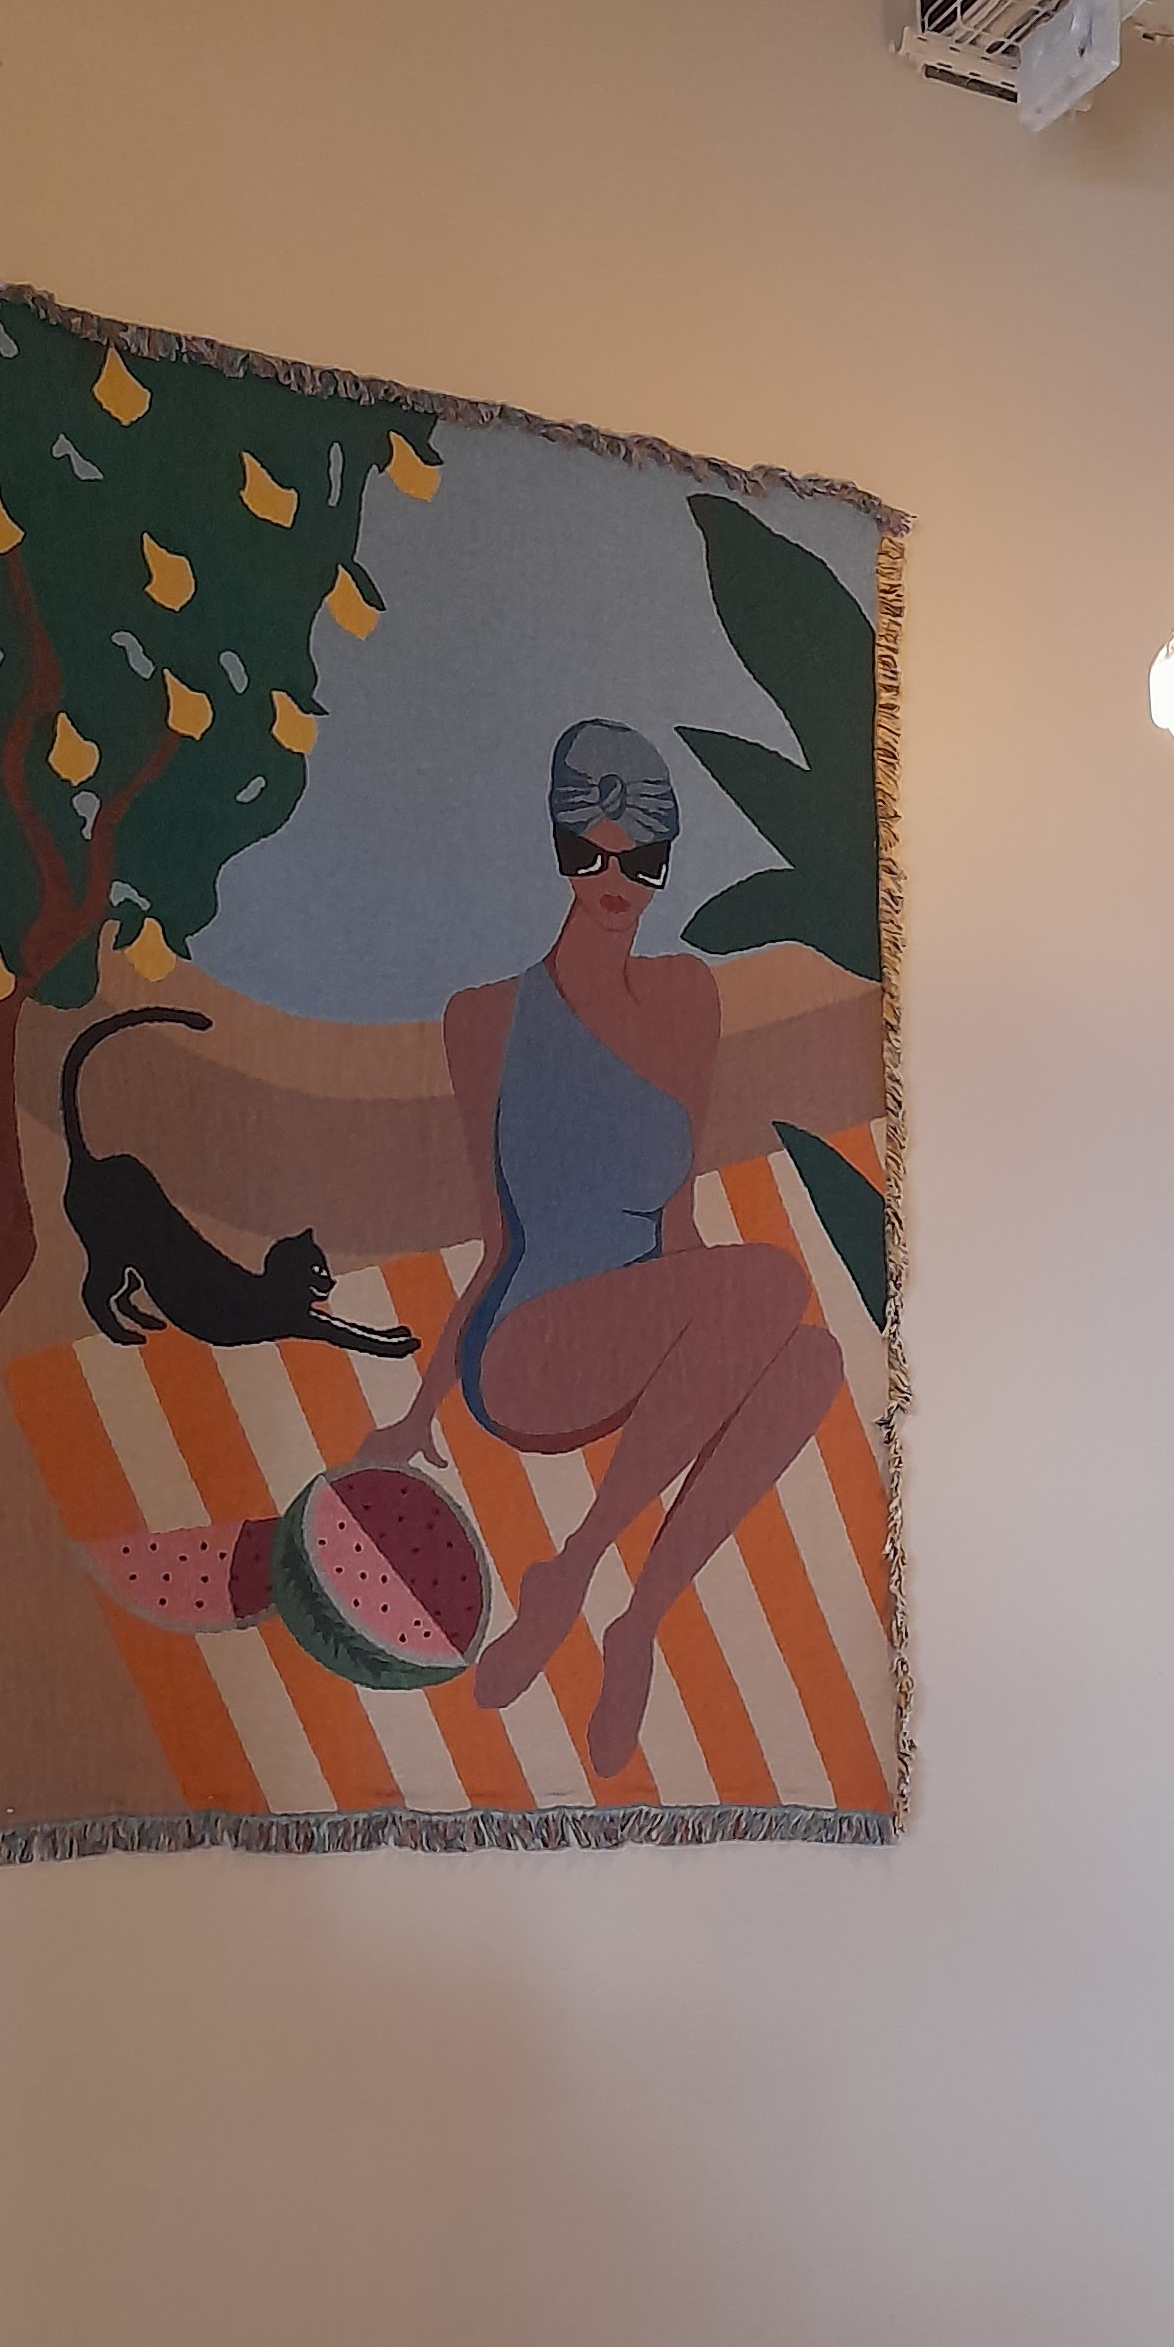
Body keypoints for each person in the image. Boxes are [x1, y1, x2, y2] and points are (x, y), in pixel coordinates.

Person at [363, 721, 843, 1773]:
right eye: (589, 853)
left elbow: (678, 1226)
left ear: (666, 864)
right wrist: (418, 1413)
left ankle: (637, 1619)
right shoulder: (484, 1019)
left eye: (642, 860)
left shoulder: (688, 999)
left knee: (813, 1358)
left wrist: (727, 1356)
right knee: (774, 1278)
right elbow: (497, 1237)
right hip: (526, 1352)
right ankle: (575, 1566)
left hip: (640, 1332)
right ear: (558, 850)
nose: (615, 879)